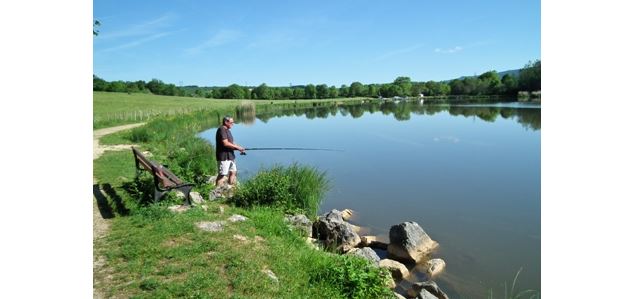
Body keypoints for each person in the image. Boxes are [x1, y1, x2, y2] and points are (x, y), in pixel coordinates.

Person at [215, 116, 245, 188]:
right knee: (222, 175)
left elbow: (232, 142)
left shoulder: (228, 130)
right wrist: (237, 147)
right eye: (231, 122)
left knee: (233, 172)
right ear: (226, 122)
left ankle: (229, 187)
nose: (233, 124)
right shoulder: (221, 130)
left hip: (230, 156)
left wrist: (239, 148)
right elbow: (225, 143)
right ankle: (217, 192)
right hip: (223, 156)